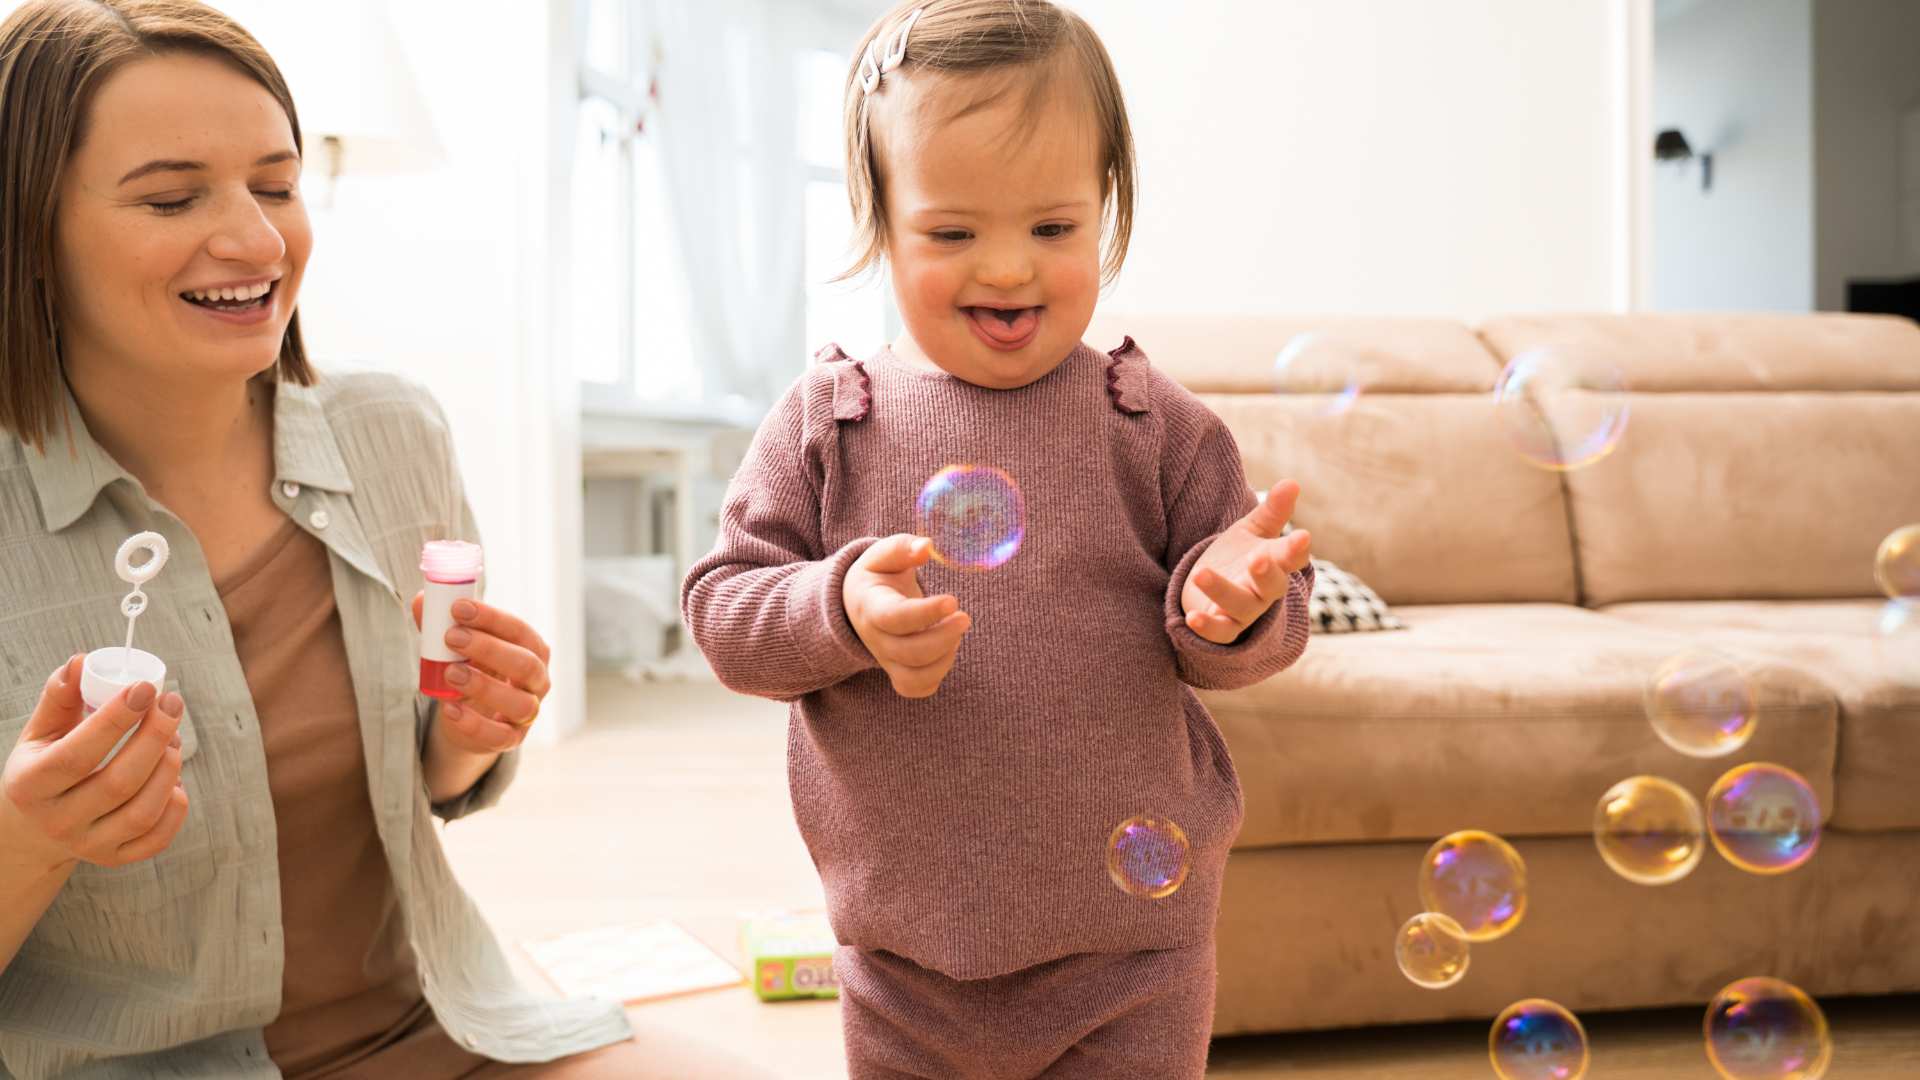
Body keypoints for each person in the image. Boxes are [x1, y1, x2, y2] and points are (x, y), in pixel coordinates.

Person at [0, 2, 758, 1076]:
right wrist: (25, 838)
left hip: (438, 1029)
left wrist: (469, 732)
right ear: (27, 232)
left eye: (275, 184)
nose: (259, 241)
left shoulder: (393, 434)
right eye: (173, 196)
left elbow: (431, 787)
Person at [681, 2, 1315, 1076]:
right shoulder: (831, 419)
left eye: (1054, 229)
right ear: (880, 219)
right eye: (953, 232)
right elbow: (725, 610)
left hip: (1135, 955)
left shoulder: (1153, 423)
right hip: (904, 955)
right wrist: (839, 611)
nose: (1010, 271)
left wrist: (1233, 605)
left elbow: (1233, 627)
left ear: (1107, 205)